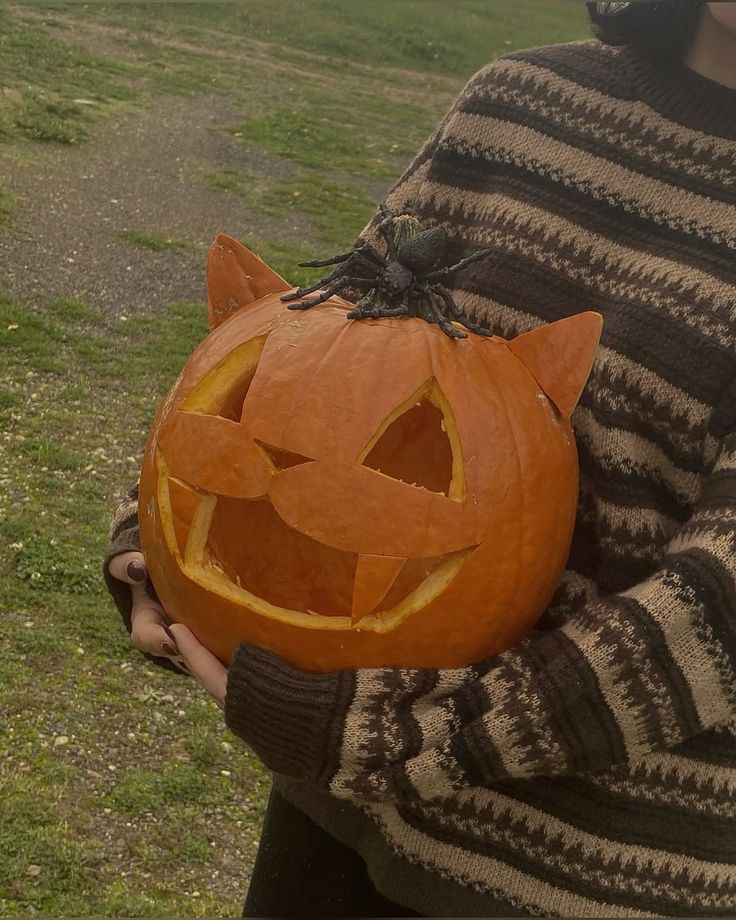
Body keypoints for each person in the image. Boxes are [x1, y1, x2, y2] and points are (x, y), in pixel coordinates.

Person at [105, 1, 736, 915]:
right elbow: (313, 341)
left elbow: (720, 610)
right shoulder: (518, 106)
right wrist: (166, 540)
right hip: (346, 825)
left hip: (588, 872)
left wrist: (408, 735)